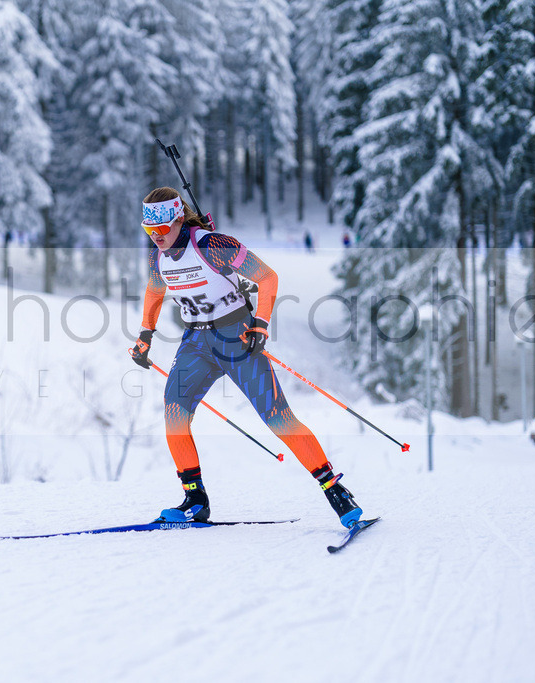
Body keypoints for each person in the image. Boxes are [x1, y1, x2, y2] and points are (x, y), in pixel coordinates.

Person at [129, 187, 364, 528]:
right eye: (150, 231)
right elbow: (155, 290)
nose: (157, 238)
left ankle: (336, 491)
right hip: (195, 342)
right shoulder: (157, 258)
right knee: (174, 413)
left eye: (162, 230)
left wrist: (261, 325)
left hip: (236, 337)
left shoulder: (213, 245)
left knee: (278, 418)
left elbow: (268, 278)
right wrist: (145, 335)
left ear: (179, 219)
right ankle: (195, 499)